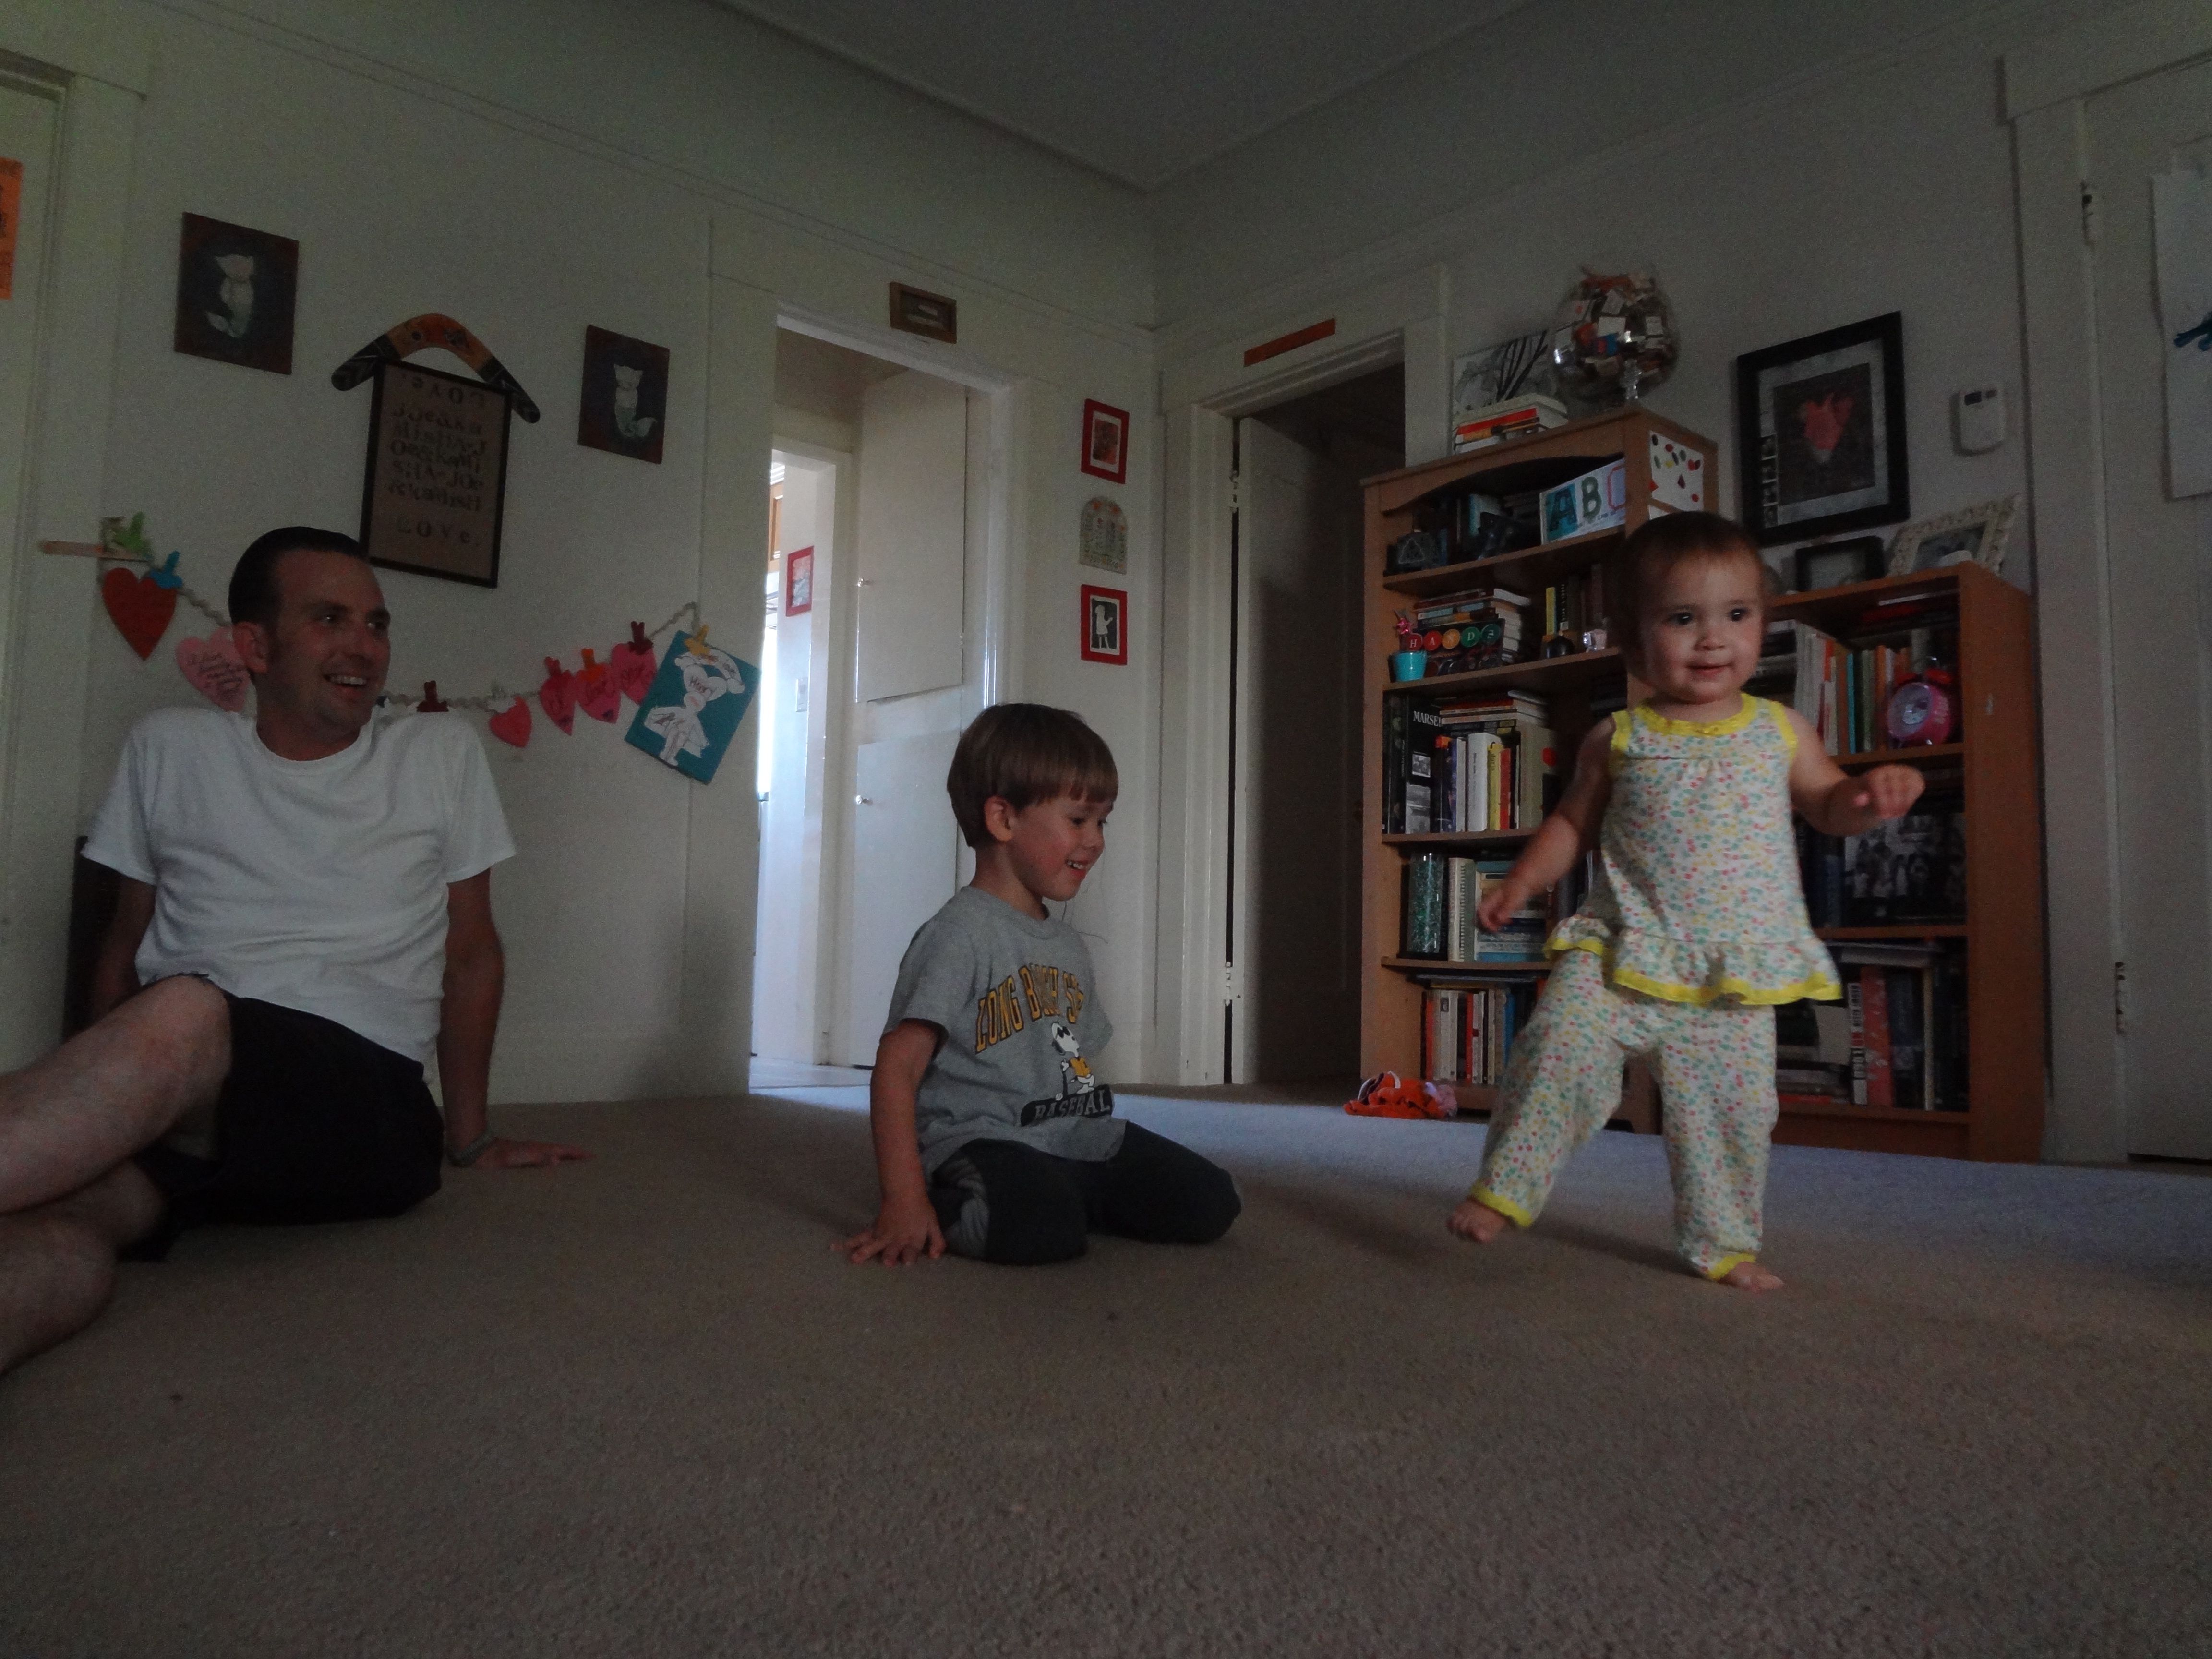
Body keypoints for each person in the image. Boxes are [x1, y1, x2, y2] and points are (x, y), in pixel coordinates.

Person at [0, 526, 584, 1375]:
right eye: (329, 618)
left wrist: (469, 1137)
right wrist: (108, 1116)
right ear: (255, 646)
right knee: (70, 1216)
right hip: (196, 1101)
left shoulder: (437, 752)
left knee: (185, 1006)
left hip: (363, 1108)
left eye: (376, 624)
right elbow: (124, 943)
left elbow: (472, 954)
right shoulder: (169, 748)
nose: (364, 646)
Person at [1445, 512, 1923, 1290]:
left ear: (1761, 622)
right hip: (1620, 949)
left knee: (1732, 1116)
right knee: (1555, 1047)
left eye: (1735, 614)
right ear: (1634, 642)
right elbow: (1571, 824)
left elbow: (1827, 802)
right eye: (1681, 619)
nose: (1712, 639)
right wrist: (1521, 883)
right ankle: (1505, 1187)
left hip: (1728, 970)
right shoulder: (1617, 738)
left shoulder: (1780, 729)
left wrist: (1867, 798)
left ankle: (1723, 1241)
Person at [839, 703, 1240, 1267]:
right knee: (1041, 1230)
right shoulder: (958, 936)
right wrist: (903, 1199)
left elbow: (1074, 1060)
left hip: (1071, 1135)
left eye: (1102, 822)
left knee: (1210, 1201)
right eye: (1078, 820)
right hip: (982, 1138)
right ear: (1003, 819)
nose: (1096, 840)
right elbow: (897, 1067)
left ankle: (1061, 1197)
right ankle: (957, 1200)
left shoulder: (1069, 946)